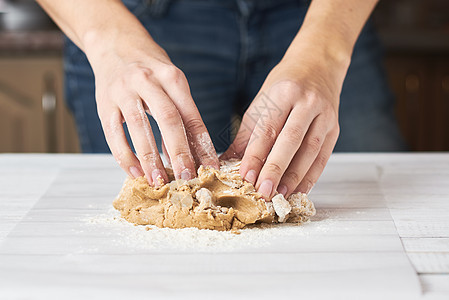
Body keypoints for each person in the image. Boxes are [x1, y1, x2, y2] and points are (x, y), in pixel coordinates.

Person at [37, 0, 406, 199]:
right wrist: (107, 39)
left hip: (321, 13)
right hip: (134, 16)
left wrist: (325, 52)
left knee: (381, 201)